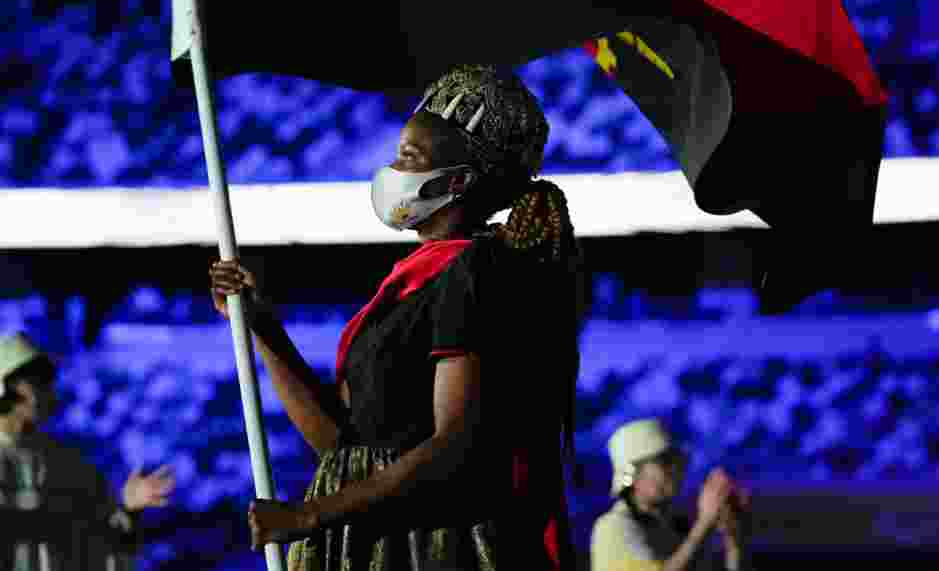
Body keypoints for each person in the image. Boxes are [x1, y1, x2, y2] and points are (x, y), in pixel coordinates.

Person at [209, 64, 585, 569]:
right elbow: (340, 444)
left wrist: (311, 516)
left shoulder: (474, 273)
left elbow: (456, 446)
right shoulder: (414, 281)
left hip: (421, 548)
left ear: (455, 182)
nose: (392, 170)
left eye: (408, 156)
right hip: (372, 543)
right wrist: (261, 326)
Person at [0, 332, 176, 571]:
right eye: (37, 378)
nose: (49, 389)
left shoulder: (65, 464)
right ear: (6, 388)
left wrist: (128, 509)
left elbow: (103, 544)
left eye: (48, 378)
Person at [591, 419, 753, 571]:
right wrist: (705, 521)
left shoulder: (677, 527)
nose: (675, 469)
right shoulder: (612, 528)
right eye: (664, 462)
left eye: (676, 461)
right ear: (632, 474)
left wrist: (734, 539)